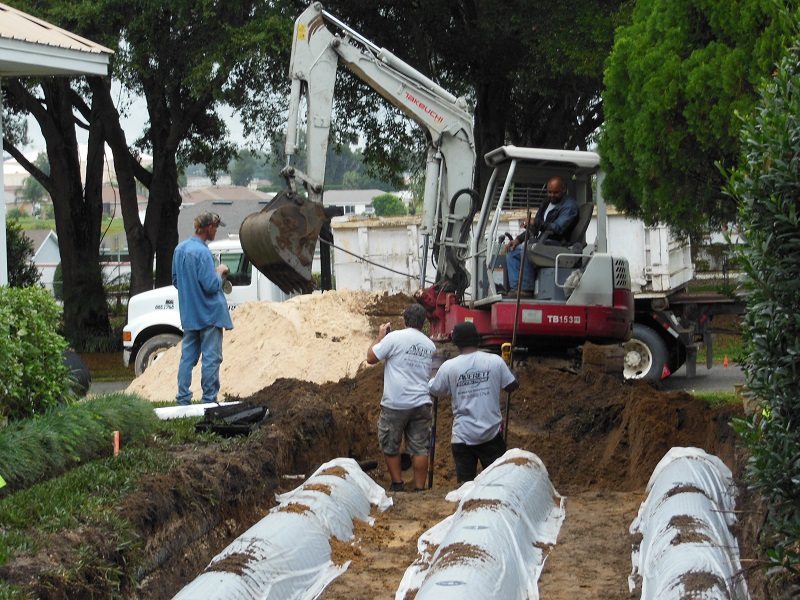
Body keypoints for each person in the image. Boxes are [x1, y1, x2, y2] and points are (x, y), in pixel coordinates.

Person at [428, 321, 518, 483]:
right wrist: (509, 368)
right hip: (491, 435)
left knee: (466, 485)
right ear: (477, 339)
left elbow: (434, 390)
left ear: (456, 342)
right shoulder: (495, 361)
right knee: (499, 483)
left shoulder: (449, 367)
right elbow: (512, 385)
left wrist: (435, 371)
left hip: (463, 437)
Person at [367, 303, 436, 492]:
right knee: (420, 446)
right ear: (423, 323)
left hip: (396, 403)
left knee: (390, 443)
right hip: (422, 402)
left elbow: (371, 358)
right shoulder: (429, 345)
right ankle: (420, 487)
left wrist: (380, 337)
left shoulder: (394, 338)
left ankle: (397, 484)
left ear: (405, 320)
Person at [172, 212, 234, 405]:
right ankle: (208, 400)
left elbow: (176, 281)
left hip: (190, 314)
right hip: (210, 315)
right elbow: (211, 285)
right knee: (211, 359)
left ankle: (183, 398)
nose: (216, 231)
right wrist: (220, 271)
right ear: (209, 227)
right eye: (216, 227)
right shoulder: (203, 252)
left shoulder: (180, 249)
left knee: (187, 358)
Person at [505, 175, 579, 293]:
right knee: (513, 251)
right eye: (549, 192)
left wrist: (537, 222)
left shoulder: (569, 206)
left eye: (556, 192)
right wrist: (518, 240)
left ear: (564, 190)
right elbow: (535, 228)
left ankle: (526, 289)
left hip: (558, 245)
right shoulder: (546, 203)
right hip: (543, 242)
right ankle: (515, 289)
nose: (552, 195)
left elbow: (558, 228)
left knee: (526, 250)